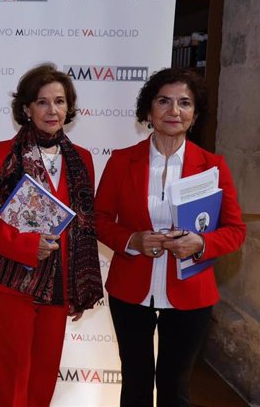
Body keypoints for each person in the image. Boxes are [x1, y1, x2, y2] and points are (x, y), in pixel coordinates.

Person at [94, 67, 246, 407]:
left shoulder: (213, 166)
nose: (173, 111)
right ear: (149, 110)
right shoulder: (121, 162)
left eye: (184, 103)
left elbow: (235, 230)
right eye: (164, 101)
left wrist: (202, 244)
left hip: (191, 294)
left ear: (195, 114)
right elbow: (99, 220)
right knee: (134, 383)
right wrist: (132, 240)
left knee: (175, 387)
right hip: (131, 290)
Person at [0, 63, 103, 407]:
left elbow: (83, 228)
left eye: (59, 101)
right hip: (10, 283)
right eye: (42, 102)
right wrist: (28, 245)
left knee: (42, 381)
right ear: (26, 109)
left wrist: (79, 286)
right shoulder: (0, 154)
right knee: (9, 381)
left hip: (59, 288)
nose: (52, 110)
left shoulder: (82, 159)